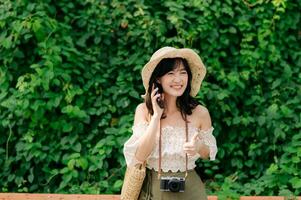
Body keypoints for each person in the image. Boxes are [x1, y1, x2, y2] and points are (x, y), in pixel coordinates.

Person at [123, 47, 218, 200]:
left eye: (183, 72)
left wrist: (199, 147)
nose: (178, 79)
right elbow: (139, 156)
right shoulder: (143, 111)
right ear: (158, 79)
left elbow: (210, 153)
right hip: (154, 189)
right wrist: (156, 117)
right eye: (171, 73)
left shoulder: (200, 112)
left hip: (190, 189)